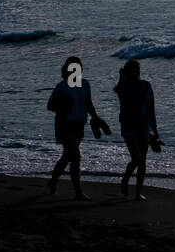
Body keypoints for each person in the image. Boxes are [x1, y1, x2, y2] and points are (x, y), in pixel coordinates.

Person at [46, 56, 111, 200]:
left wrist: (96, 118)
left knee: (67, 156)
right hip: (64, 124)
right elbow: (50, 106)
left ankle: (52, 182)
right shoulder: (62, 86)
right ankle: (78, 192)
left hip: (79, 124)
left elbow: (89, 104)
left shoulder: (85, 84)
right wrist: (63, 103)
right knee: (76, 156)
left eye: (79, 66)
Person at [114, 58, 159, 200]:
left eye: (138, 69)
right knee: (137, 158)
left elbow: (151, 108)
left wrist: (155, 131)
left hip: (143, 125)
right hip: (128, 125)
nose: (137, 71)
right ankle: (125, 179)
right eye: (134, 69)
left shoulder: (146, 85)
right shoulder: (124, 86)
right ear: (128, 71)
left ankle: (138, 192)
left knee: (142, 160)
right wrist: (121, 77)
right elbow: (118, 91)